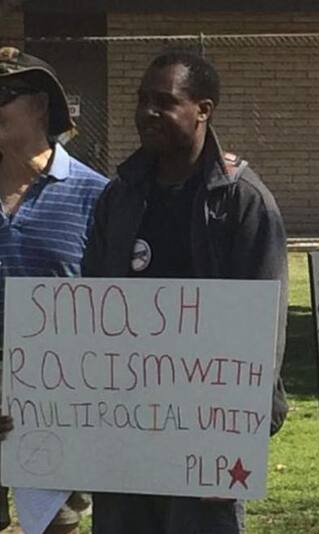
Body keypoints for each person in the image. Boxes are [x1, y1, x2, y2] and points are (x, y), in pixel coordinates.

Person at [81, 50, 289, 534]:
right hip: (124, 424)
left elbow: (265, 327)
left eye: (164, 101)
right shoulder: (121, 195)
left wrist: (236, 437)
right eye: (141, 100)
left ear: (204, 110)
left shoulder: (240, 199)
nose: (147, 112)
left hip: (204, 432)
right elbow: (89, 308)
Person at [0, 46, 109, 534]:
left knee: (56, 528)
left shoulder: (97, 196)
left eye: (3, 94)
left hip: (58, 412)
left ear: (41, 105)